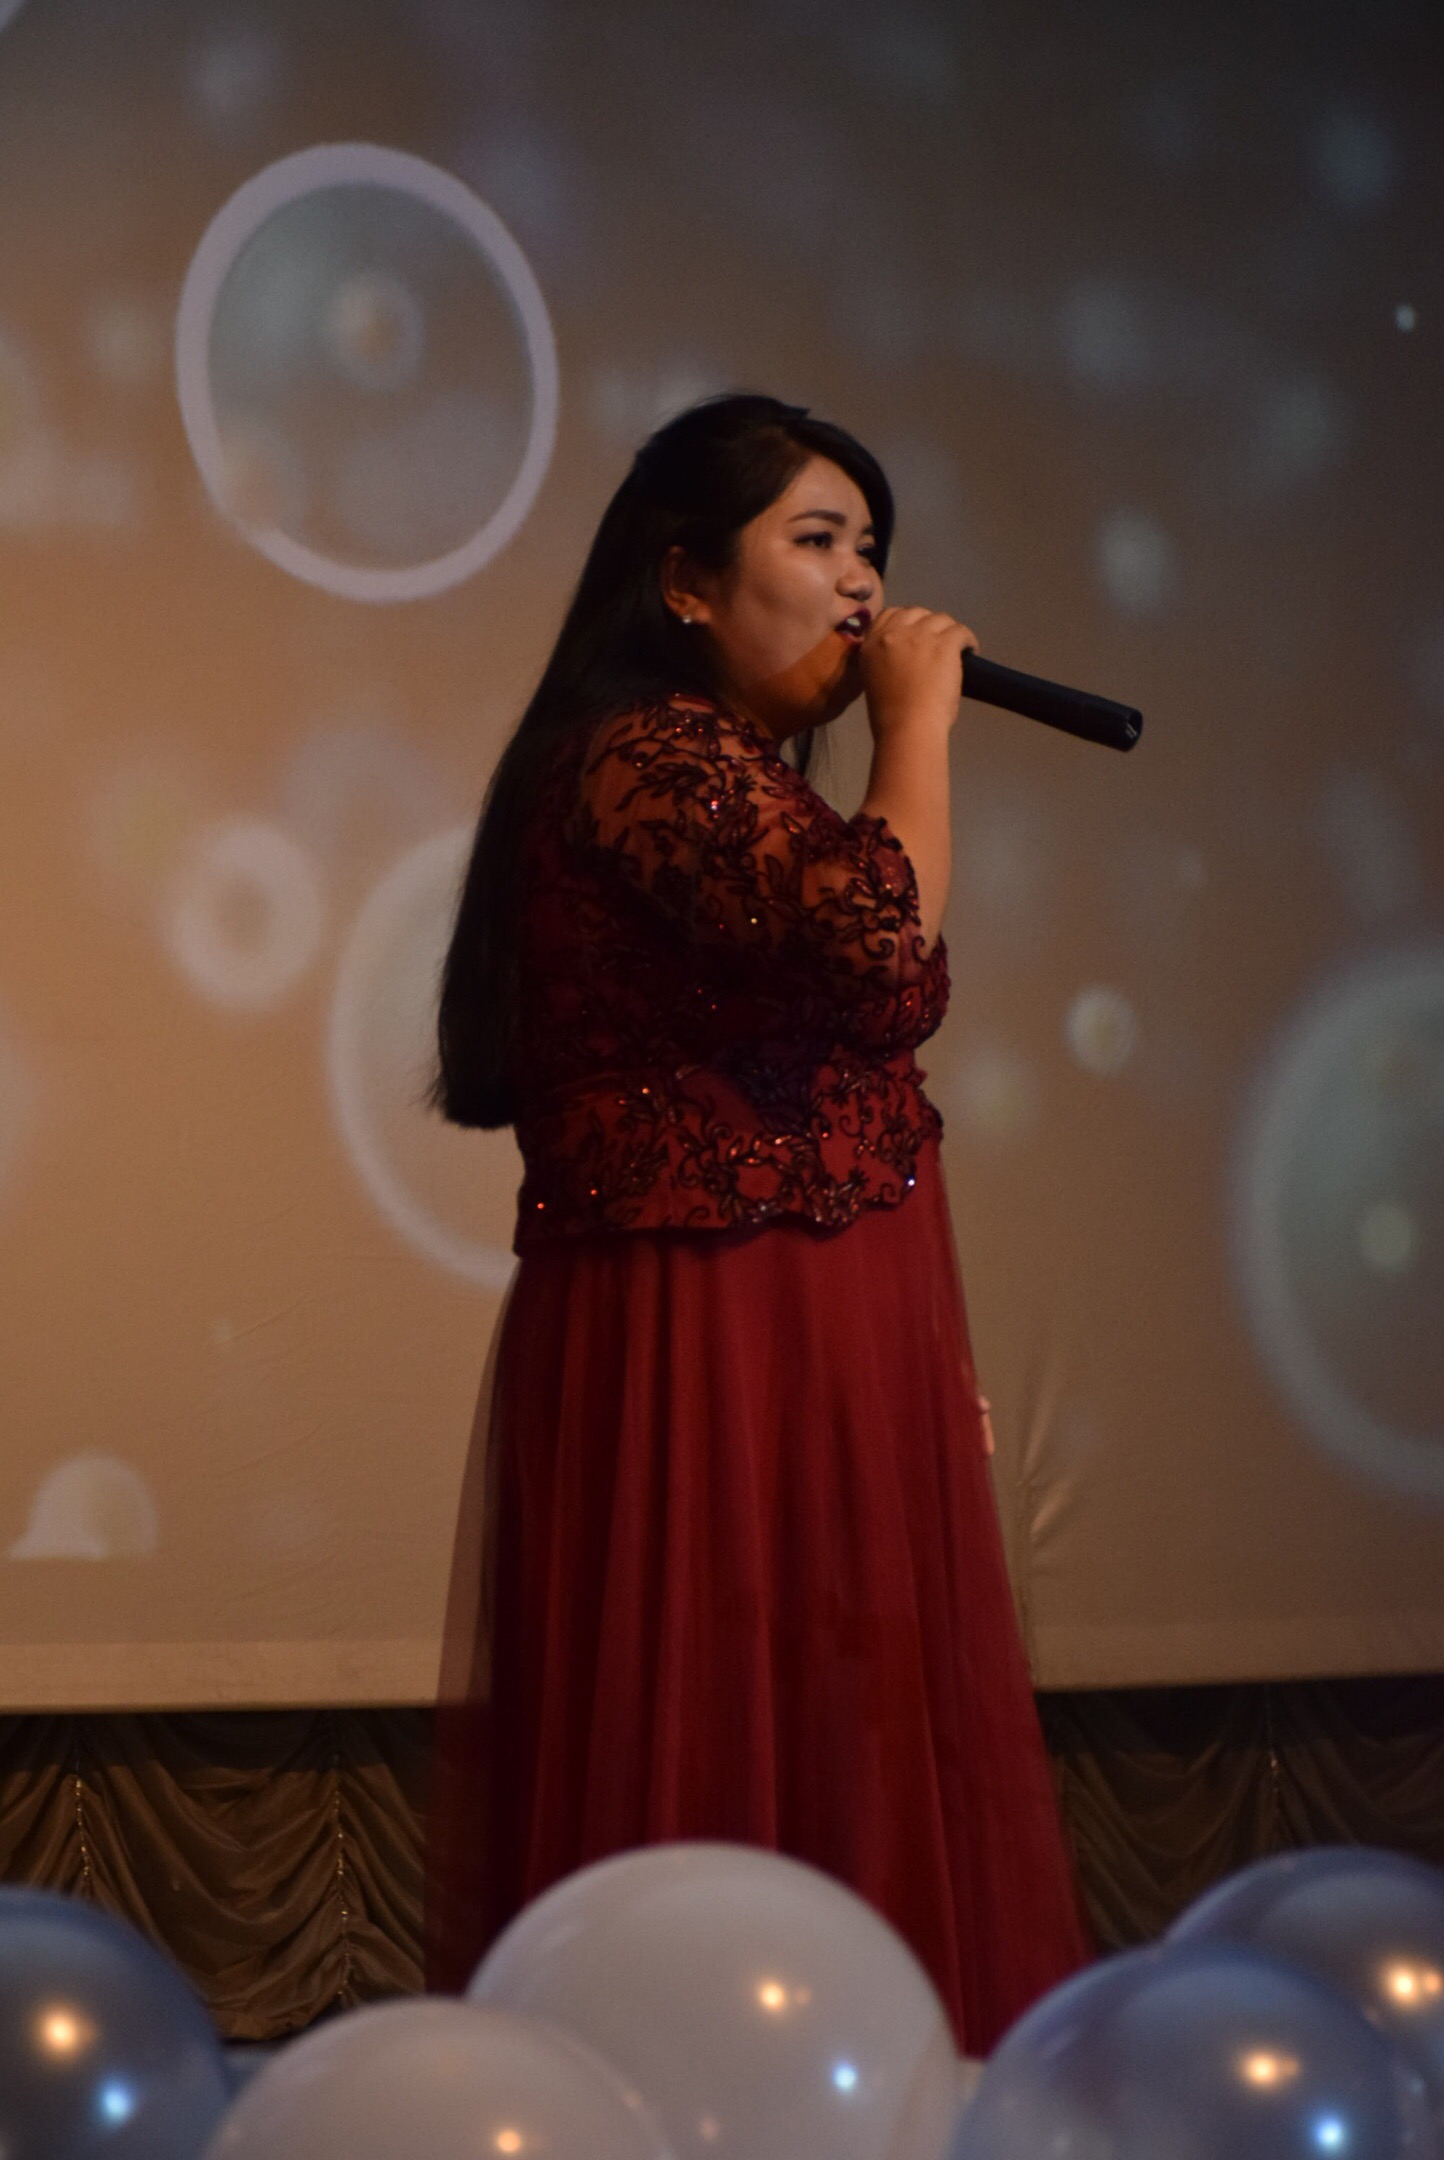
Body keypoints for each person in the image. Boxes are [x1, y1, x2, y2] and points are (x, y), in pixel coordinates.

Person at [424, 392, 1091, 2051]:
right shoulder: (650, 760)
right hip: (708, 1328)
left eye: (874, 550)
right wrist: (919, 727)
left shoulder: (743, 780)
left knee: (848, 1722)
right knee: (723, 1722)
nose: (866, 585)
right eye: (817, 540)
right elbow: (886, 957)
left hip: (826, 1321)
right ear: (686, 582)